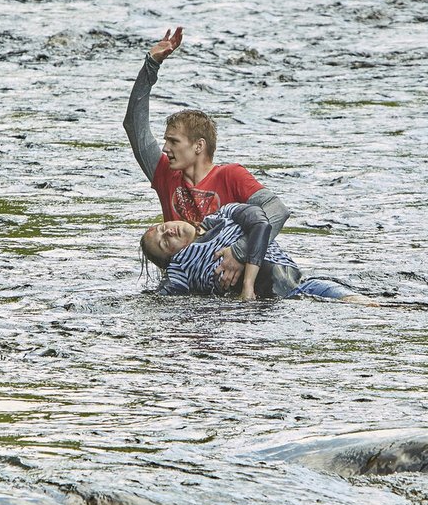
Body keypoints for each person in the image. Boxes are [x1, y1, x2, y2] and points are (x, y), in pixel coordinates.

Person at [124, 26, 290, 288]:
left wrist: (239, 251)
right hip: (191, 280)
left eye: (173, 142)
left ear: (199, 146)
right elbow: (135, 126)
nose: (165, 149)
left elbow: (277, 211)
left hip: (239, 284)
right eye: (165, 141)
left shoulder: (231, 175)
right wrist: (150, 66)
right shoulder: (164, 172)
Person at [140, 203, 372, 304]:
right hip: (265, 306)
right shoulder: (180, 268)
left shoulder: (225, 214)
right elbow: (162, 297)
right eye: (164, 242)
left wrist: (247, 284)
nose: (169, 232)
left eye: (163, 227)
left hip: (299, 286)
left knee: (363, 304)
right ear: (169, 259)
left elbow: (261, 224)